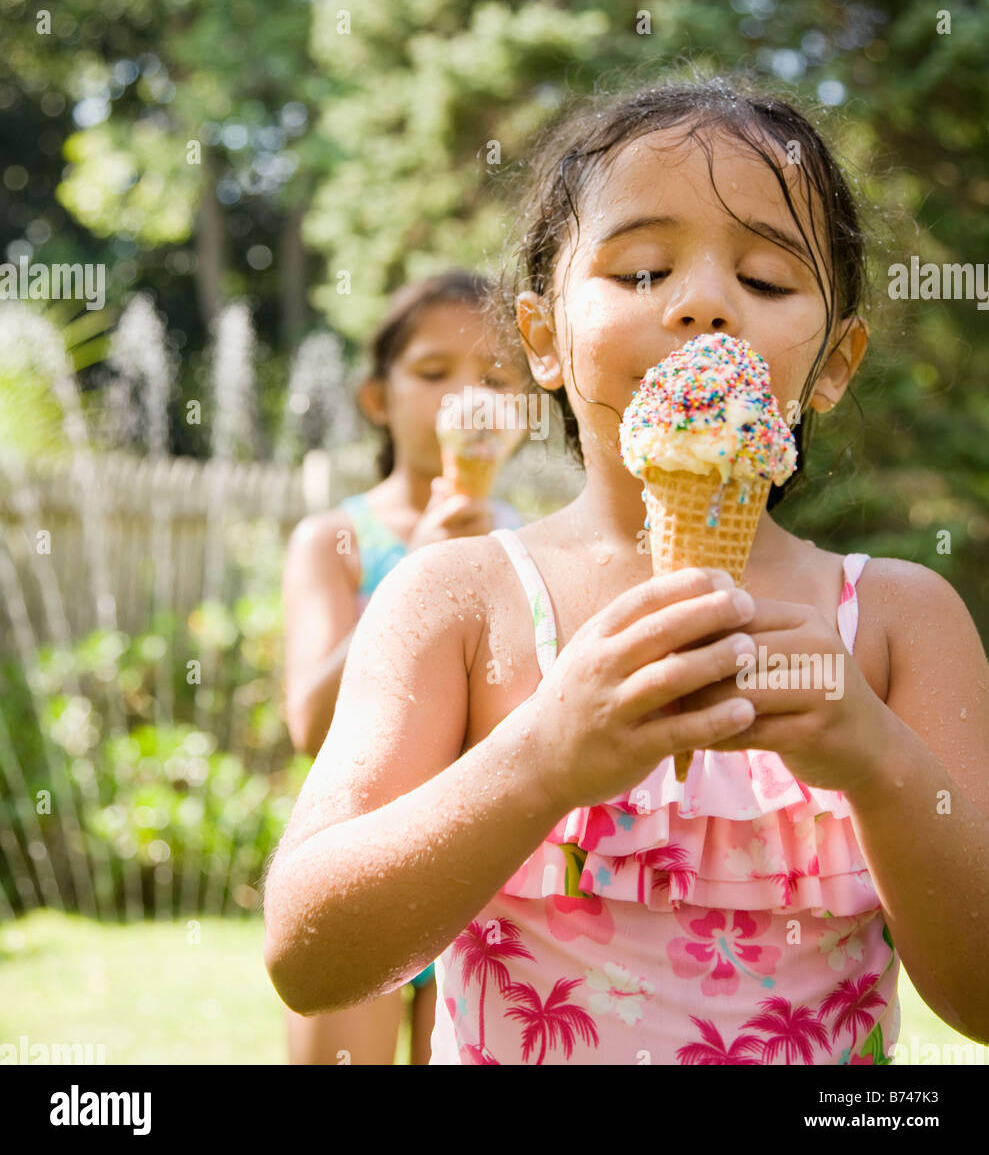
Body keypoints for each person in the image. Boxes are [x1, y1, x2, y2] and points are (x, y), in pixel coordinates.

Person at [264, 72, 989, 1064]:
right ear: (540, 337)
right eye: (642, 270)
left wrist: (876, 758)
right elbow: (308, 955)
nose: (700, 304)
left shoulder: (900, 623)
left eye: (767, 281)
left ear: (833, 362)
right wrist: (544, 754)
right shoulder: (458, 599)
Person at [280, 270, 532, 1065]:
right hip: (360, 864)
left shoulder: (533, 549)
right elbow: (308, 724)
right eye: (432, 374)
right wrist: (419, 567)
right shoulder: (335, 541)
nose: (466, 398)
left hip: (486, 877)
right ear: (377, 399)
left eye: (494, 378)